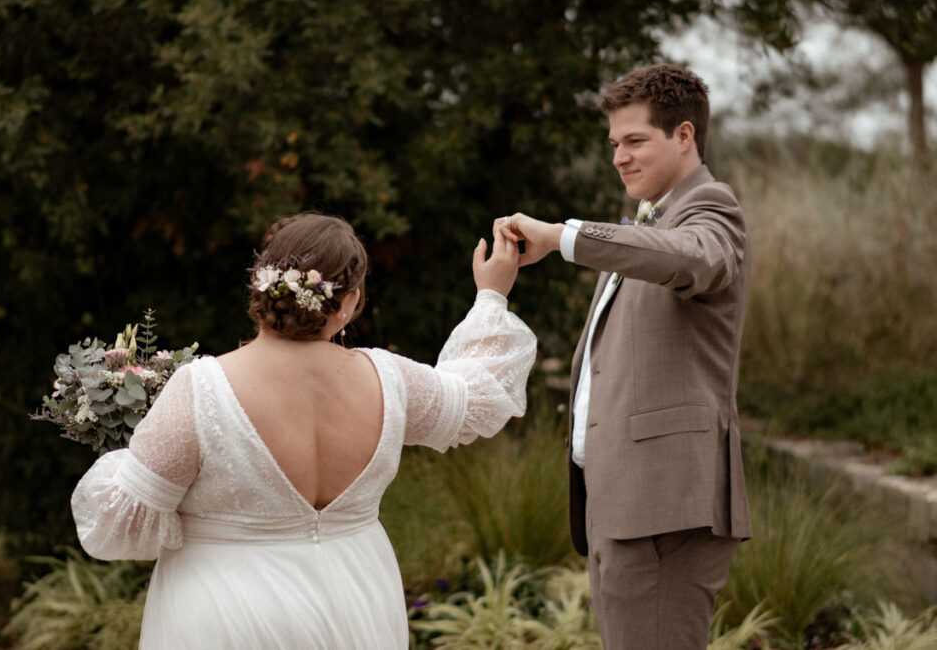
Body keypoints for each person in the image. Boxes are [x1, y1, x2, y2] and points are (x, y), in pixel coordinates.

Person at [71, 213, 536, 648]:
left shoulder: (200, 389)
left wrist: (126, 441)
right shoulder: (390, 380)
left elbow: (120, 523)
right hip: (357, 601)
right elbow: (481, 395)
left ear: (261, 285)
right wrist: (492, 294)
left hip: (228, 611)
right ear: (350, 302)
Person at [496, 64, 752, 650]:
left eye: (635, 140)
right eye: (615, 144)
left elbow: (692, 258)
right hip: (620, 506)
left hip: (666, 510)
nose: (620, 157)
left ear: (684, 136)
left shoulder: (711, 210)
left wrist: (564, 237)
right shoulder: (647, 225)